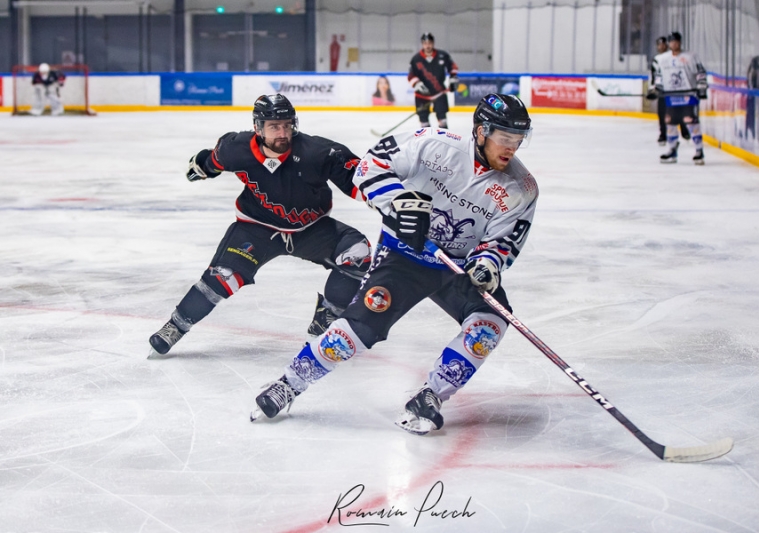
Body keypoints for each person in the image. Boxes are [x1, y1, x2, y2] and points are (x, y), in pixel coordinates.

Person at [250, 93, 539, 437]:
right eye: (504, 139)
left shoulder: (522, 188)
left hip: (456, 266)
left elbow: (503, 241)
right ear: (481, 131)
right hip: (405, 257)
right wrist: (400, 202)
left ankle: (431, 394)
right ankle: (290, 383)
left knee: (491, 322)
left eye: (518, 141)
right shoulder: (435, 145)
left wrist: (488, 264)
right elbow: (370, 166)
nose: (512, 148)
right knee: (358, 329)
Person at [148, 94, 372, 358]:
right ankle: (176, 326)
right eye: (274, 126)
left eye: (287, 125)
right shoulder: (237, 148)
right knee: (223, 276)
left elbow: (362, 181)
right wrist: (203, 166)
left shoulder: (317, 153)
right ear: (258, 128)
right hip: (257, 228)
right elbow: (215, 160)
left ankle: (327, 317)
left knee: (358, 252)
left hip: (310, 230)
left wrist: (390, 195)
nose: (282, 133)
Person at [651, 32, 708, 165]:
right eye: (671, 42)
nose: (674, 44)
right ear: (669, 43)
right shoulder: (662, 59)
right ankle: (672, 150)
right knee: (669, 121)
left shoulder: (691, 56)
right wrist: (656, 89)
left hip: (688, 95)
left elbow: (700, 72)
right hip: (671, 96)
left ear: (680, 42)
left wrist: (701, 87)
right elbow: (659, 76)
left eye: (676, 41)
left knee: (690, 121)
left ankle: (699, 150)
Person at [408, 33, 459, 129]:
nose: (428, 45)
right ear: (422, 44)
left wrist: (453, 79)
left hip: (439, 93)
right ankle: (427, 142)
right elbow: (411, 75)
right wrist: (417, 83)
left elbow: (453, 67)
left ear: (433, 43)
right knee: (424, 123)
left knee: (443, 121)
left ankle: (443, 141)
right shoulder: (416, 59)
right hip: (421, 96)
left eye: (430, 43)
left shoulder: (443, 55)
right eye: (425, 43)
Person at [648, 37, 690, 145]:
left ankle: (684, 130)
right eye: (659, 45)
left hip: (675, 89)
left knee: (679, 111)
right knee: (662, 114)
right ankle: (663, 134)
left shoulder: (672, 58)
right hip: (663, 91)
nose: (661, 47)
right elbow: (653, 75)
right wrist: (652, 88)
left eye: (663, 44)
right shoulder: (657, 59)